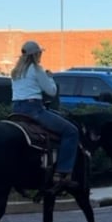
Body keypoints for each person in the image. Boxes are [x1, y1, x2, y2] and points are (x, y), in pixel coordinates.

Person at [10, 41, 79, 186]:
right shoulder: (36, 69)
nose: (40, 55)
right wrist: (50, 78)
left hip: (16, 110)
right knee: (71, 131)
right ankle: (63, 171)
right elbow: (51, 92)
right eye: (40, 52)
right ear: (36, 54)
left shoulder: (15, 71)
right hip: (34, 109)